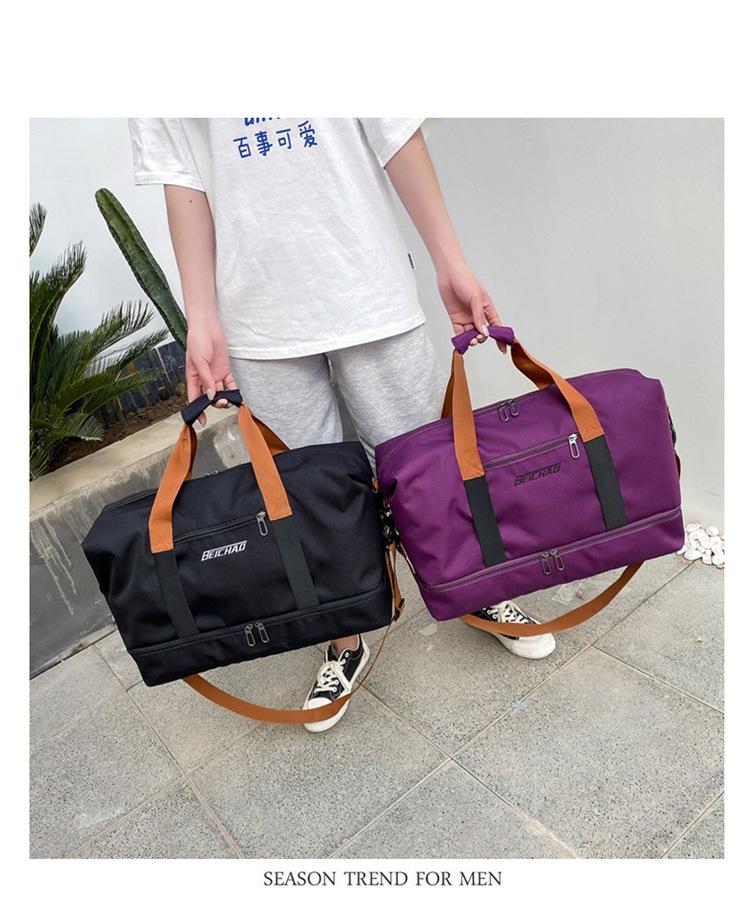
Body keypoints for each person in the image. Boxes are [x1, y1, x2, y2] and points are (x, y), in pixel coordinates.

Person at [128, 118, 556, 733]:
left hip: (366, 283)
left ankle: (474, 585)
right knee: (305, 498)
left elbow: (394, 128)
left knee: (427, 465)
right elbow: (184, 176)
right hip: (257, 316)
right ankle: (343, 632)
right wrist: (200, 317)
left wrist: (451, 261)